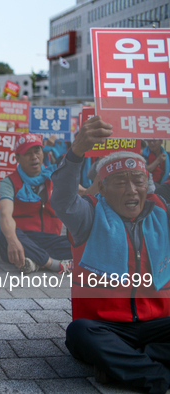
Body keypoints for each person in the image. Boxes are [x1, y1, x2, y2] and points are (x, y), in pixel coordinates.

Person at [51, 115, 170, 394]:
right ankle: (156, 375)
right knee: (79, 334)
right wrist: (76, 152)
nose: (131, 189)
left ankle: (122, 365)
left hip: (158, 323)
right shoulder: (89, 215)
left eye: (138, 180)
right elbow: (62, 199)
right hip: (103, 327)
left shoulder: (162, 212)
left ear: (148, 185)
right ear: (102, 188)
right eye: (119, 182)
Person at [0, 133, 73, 273]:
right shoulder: (8, 182)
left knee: (81, 243)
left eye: (37, 151)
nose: (34, 157)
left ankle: (35, 262)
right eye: (27, 153)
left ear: (43, 153)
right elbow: (5, 214)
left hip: (50, 240)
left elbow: (84, 193)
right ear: (17, 158)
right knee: (5, 235)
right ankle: (54, 264)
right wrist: (13, 240)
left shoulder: (56, 176)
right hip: (22, 239)